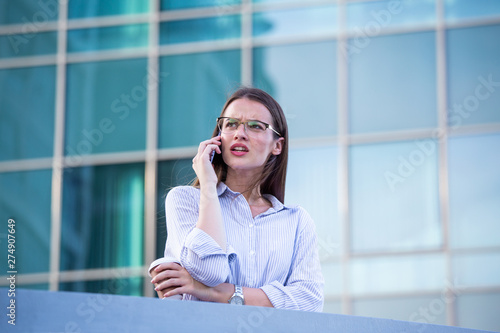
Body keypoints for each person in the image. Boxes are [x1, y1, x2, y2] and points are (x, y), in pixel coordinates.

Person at [150, 87, 324, 312]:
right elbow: (210, 270)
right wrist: (209, 187)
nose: (240, 133)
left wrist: (213, 292)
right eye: (231, 124)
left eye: (255, 126)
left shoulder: (297, 221)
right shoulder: (185, 201)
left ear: (277, 146)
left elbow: (309, 302)